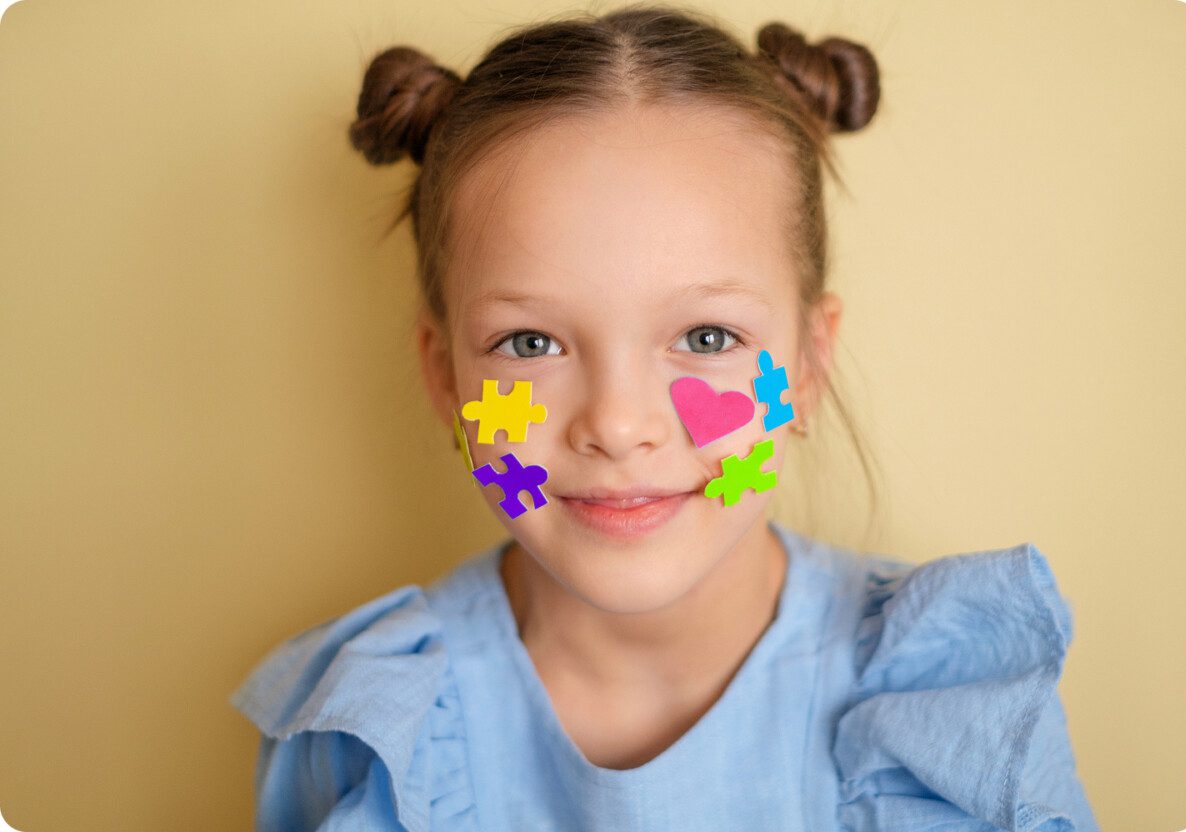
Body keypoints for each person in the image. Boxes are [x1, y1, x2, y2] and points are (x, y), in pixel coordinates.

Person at [229, 4, 1099, 830]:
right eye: (530, 344)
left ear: (807, 364)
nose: (616, 424)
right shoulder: (373, 728)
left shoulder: (945, 709)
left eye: (707, 334)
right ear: (444, 377)